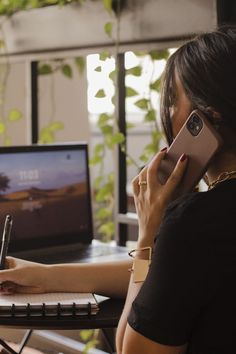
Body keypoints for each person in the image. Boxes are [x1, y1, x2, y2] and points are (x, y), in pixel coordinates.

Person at [0, 25, 236, 354]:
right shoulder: (199, 231)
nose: (168, 114)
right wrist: (44, 276)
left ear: (207, 117)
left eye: (172, 102)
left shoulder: (195, 222)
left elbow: (132, 349)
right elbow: (170, 274)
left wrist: (149, 231)